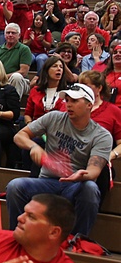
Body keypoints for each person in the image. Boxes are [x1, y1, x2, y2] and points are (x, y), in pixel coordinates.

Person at [8, 83, 112, 236]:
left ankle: (77, 240)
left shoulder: (101, 135)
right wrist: (34, 147)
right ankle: (17, 235)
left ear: (89, 105)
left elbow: (94, 170)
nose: (69, 104)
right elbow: (19, 136)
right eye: (67, 100)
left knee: (90, 188)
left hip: (75, 184)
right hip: (47, 181)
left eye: (75, 101)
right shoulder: (54, 117)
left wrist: (81, 175)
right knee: (15, 186)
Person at [77, 70, 121, 167]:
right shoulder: (69, 106)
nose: (81, 89)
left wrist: (110, 155)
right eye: (79, 85)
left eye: (86, 86)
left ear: (99, 88)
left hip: (97, 162)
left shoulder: (113, 111)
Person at [0, 23, 32, 102]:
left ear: (19, 35)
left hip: (20, 81)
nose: (10, 35)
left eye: (13, 33)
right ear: (4, 35)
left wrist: (3, 77)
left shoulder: (24, 49)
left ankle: (13, 106)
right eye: (8, 33)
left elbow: (23, 72)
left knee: (16, 76)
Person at [23, 56, 67, 127]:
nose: (59, 69)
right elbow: (28, 114)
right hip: (37, 129)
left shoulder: (68, 93)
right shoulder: (35, 90)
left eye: (61, 67)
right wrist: (30, 125)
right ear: (46, 70)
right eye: (55, 66)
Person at [104, 42, 121, 109]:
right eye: (115, 52)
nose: (118, 54)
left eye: (120, 52)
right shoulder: (104, 75)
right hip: (106, 110)